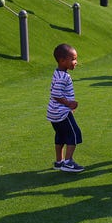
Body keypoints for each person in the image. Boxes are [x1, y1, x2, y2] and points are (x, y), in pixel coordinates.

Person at [48, 44, 84, 173]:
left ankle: (59, 161)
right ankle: (68, 162)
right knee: (74, 134)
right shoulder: (64, 77)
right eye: (73, 59)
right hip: (61, 113)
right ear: (63, 61)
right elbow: (56, 94)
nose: (76, 62)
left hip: (54, 113)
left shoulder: (58, 72)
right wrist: (69, 103)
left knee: (61, 136)